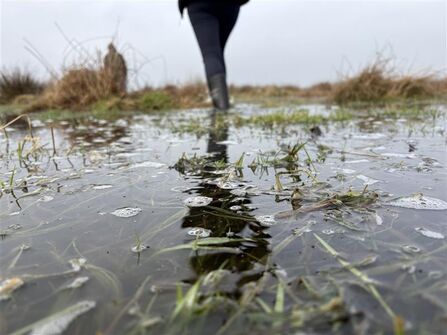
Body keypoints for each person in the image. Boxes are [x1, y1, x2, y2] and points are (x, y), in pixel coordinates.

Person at [179, 0, 249, 110]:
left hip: (199, 4)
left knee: (211, 54)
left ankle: (222, 108)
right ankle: (224, 104)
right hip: (231, 5)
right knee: (217, 53)